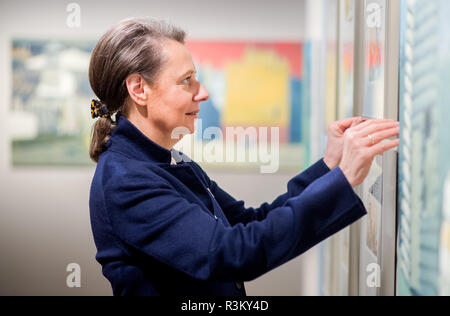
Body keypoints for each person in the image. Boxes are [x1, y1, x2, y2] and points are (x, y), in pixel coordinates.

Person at [88, 17, 400, 296]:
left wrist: (330, 166)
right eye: (187, 81)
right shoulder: (125, 180)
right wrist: (343, 179)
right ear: (139, 89)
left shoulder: (170, 161)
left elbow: (249, 222)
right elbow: (231, 253)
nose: (204, 93)